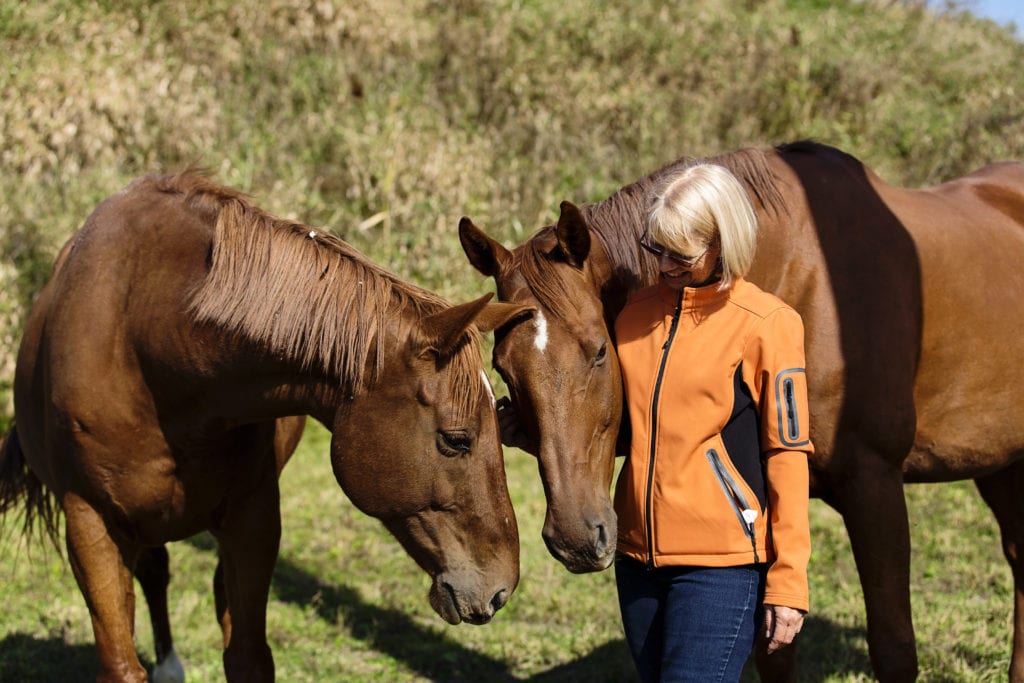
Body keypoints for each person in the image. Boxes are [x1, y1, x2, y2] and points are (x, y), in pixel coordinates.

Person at [612, 162, 812, 682]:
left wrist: (788, 582)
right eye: (657, 249)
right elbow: (630, 429)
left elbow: (788, 456)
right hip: (636, 558)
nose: (665, 266)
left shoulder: (769, 325)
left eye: (681, 254)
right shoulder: (633, 316)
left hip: (721, 565)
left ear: (724, 242)